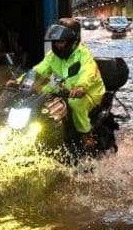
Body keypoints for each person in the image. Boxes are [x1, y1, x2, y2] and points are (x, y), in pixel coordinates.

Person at [14, 18, 106, 148]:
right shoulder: (53, 56)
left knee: (76, 104)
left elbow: (88, 73)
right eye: (55, 42)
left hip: (88, 91)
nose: (58, 45)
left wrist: (81, 87)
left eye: (62, 42)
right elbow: (39, 70)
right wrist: (21, 81)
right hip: (64, 88)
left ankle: (86, 134)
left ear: (72, 41)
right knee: (40, 96)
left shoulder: (83, 55)